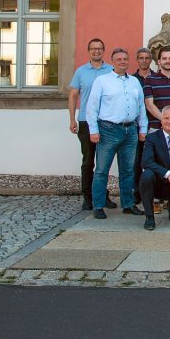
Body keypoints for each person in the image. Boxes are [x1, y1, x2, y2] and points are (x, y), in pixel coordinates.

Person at [86, 48, 148, 219]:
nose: (122, 61)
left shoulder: (134, 82)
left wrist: (143, 128)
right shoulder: (102, 81)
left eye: (125, 59)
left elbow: (141, 106)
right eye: (119, 59)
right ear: (112, 61)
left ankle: (128, 204)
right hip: (108, 130)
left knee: (128, 170)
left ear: (129, 61)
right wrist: (94, 130)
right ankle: (98, 205)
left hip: (130, 130)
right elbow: (92, 107)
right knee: (101, 170)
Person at [68, 38, 114, 210]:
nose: (96, 51)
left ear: (104, 51)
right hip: (86, 122)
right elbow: (73, 96)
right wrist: (72, 118)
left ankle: (102, 195)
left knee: (104, 162)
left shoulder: (111, 70)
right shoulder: (81, 72)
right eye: (93, 49)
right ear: (89, 51)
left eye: (99, 49)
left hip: (106, 123)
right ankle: (87, 197)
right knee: (88, 161)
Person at [130, 47, 154, 204]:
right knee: (136, 161)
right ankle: (136, 192)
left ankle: (154, 192)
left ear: (151, 60)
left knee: (153, 160)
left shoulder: (157, 78)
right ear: (137, 60)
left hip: (154, 123)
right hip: (136, 125)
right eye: (141, 58)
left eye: (147, 58)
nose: (144, 60)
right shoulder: (131, 79)